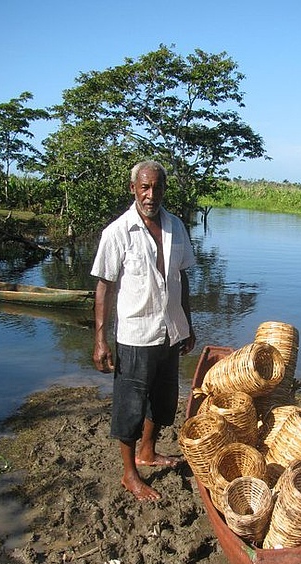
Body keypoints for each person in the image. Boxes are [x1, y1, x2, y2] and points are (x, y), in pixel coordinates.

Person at [91, 160, 196, 501]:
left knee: (163, 401)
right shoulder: (117, 232)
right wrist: (100, 341)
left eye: (157, 188)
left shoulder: (176, 226)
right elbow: (104, 288)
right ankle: (129, 474)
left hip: (169, 331)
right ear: (133, 189)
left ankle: (147, 453)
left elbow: (183, 278)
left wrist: (188, 325)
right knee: (130, 407)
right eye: (145, 187)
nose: (151, 195)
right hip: (136, 335)